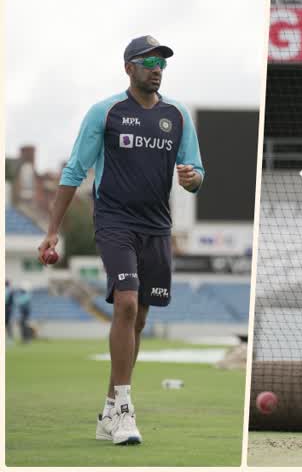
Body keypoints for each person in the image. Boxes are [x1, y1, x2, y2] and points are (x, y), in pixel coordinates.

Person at [37, 35, 204, 445]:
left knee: (140, 319)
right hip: (113, 221)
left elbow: (197, 175)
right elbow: (74, 171)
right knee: (126, 303)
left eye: (161, 61)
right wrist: (52, 230)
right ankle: (126, 411)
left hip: (157, 227)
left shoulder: (178, 114)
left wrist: (192, 178)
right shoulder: (105, 112)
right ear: (128, 67)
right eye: (148, 61)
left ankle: (109, 408)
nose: (156, 67)